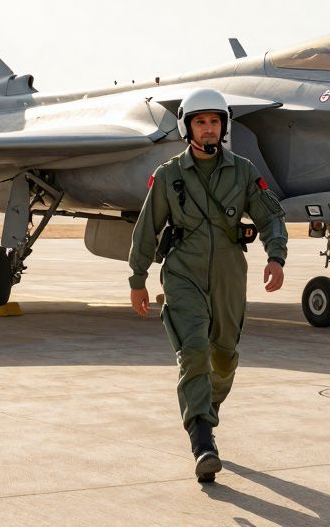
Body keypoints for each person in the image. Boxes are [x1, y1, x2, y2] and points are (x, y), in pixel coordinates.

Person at [128, 88, 288, 483]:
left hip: (230, 274)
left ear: (224, 126)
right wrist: (138, 278)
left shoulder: (244, 171)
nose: (209, 129)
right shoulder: (169, 176)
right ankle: (202, 440)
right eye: (201, 122)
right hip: (183, 271)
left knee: (224, 356)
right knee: (194, 351)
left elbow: (270, 217)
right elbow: (146, 229)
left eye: (215, 121)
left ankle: (207, 409)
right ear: (187, 127)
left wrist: (275, 256)